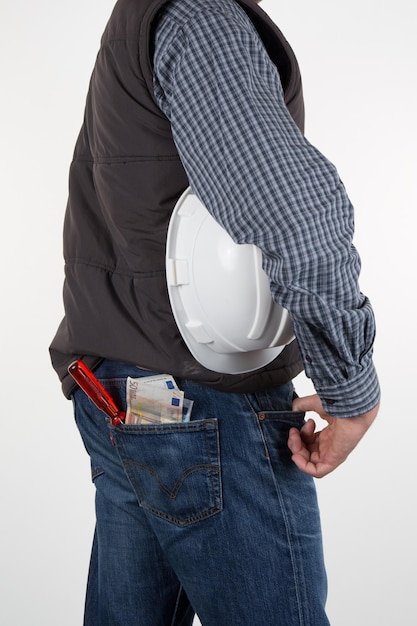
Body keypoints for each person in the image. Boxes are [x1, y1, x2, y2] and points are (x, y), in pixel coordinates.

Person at [50, 0, 380, 624]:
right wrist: (351, 390)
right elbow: (300, 224)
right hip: (204, 405)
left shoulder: (143, 18)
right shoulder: (201, 19)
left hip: (124, 391)